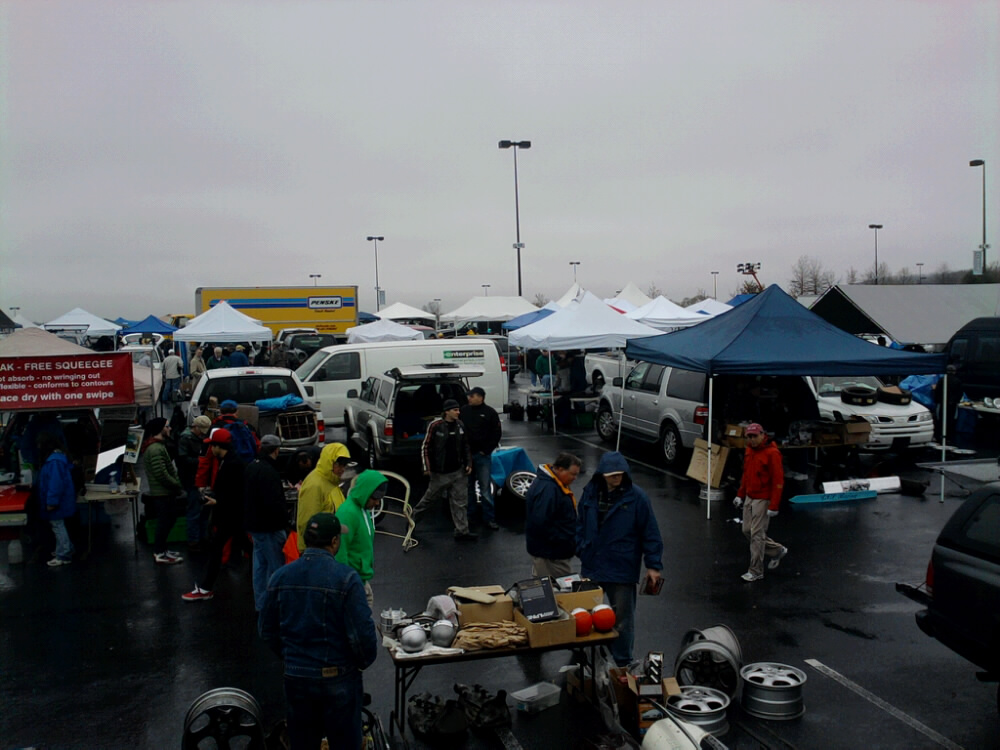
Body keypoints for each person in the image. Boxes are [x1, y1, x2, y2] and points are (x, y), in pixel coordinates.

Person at [259, 513, 378, 750]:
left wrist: (292, 658)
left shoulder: (280, 577)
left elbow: (267, 630)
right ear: (334, 542)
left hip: (297, 678)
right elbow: (362, 637)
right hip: (338, 677)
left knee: (303, 743)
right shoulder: (347, 579)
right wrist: (360, 663)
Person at [576, 451, 663, 667]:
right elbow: (580, 524)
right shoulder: (590, 493)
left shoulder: (637, 497)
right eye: (612, 475)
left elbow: (650, 532)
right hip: (592, 565)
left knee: (623, 619)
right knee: (585, 616)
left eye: (620, 474)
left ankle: (623, 662)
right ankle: (589, 659)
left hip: (621, 568)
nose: (617, 478)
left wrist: (653, 566)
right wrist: (581, 547)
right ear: (602, 475)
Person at [182, 428, 246, 601]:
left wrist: (217, 501)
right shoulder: (231, 461)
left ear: (218, 446)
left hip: (229, 515)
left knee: (217, 550)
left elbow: (236, 494)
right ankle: (206, 587)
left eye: (213, 446)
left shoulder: (231, 464)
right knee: (245, 547)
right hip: (232, 516)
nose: (211, 449)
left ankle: (205, 588)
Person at [411, 399, 475, 541]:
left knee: (460, 502)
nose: (458, 412)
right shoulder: (435, 426)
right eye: (455, 410)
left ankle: (462, 531)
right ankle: (411, 521)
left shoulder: (460, 425)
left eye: (458, 410)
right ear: (447, 411)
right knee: (428, 500)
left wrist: (468, 463)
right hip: (440, 473)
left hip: (458, 471)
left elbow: (466, 446)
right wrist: (426, 467)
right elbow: (425, 447)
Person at [733, 422, 788, 582]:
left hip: (763, 499)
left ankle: (756, 570)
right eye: (749, 436)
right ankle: (777, 550)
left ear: (762, 435)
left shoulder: (772, 453)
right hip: (750, 496)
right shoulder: (749, 450)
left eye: (754, 436)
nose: (752, 439)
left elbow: (778, 481)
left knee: (756, 534)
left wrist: (774, 505)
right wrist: (740, 494)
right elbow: (746, 474)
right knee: (747, 530)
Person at [245, 434, 288, 611]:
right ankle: (277, 606)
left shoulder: (251, 466)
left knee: (260, 567)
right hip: (270, 527)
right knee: (277, 568)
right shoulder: (269, 472)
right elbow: (274, 502)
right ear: (276, 450)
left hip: (255, 526)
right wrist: (285, 522)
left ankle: (262, 605)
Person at [334, 469, 389, 610]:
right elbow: (340, 552)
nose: (377, 503)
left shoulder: (361, 509)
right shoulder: (347, 514)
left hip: (360, 580)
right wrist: (347, 585)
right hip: (352, 583)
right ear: (365, 492)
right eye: (374, 498)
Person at [524, 452, 582, 578]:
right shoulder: (548, 490)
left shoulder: (553, 485)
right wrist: (563, 540)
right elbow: (540, 524)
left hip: (552, 552)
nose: (575, 478)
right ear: (560, 469)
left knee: (549, 585)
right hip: (551, 555)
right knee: (559, 587)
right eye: (572, 474)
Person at [141, 417, 185, 566]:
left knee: (167, 521)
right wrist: (176, 484)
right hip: (163, 493)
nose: (170, 428)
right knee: (164, 522)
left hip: (164, 492)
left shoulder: (156, 446)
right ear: (160, 429)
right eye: (167, 426)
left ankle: (163, 549)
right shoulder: (155, 449)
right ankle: (160, 552)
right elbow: (161, 473)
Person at [296, 442, 352, 553]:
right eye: (339, 464)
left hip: (331, 548)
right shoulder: (314, 485)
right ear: (329, 461)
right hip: (318, 551)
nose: (342, 469)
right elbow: (307, 523)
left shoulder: (332, 482)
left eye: (344, 465)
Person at [461, 386, 502, 530]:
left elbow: (496, 433)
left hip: (482, 456)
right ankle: (470, 517)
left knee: (485, 488)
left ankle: (489, 518)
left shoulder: (490, 413)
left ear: (480, 397)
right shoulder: (464, 411)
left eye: (472, 396)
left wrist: (487, 450)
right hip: (467, 456)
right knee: (468, 488)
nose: (469, 398)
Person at [36, 432, 77, 567]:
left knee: (57, 526)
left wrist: (51, 502)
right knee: (59, 526)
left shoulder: (53, 462)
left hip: (58, 501)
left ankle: (63, 554)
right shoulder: (59, 459)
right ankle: (65, 548)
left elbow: (55, 484)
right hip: (63, 500)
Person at [177, 415, 212, 548]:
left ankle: (202, 537)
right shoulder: (185, 438)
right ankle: (194, 540)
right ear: (195, 427)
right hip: (191, 479)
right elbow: (183, 460)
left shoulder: (196, 437)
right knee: (194, 510)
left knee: (203, 510)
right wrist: (202, 461)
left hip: (200, 478)